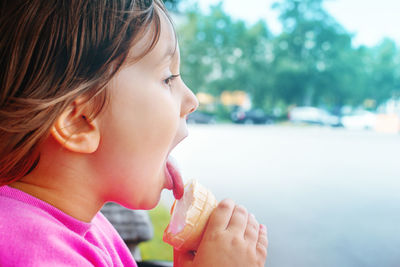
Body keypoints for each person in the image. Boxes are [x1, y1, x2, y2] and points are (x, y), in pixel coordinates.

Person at [0, 0, 268, 266]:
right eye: (168, 78)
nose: (192, 100)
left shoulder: (84, 225)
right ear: (80, 122)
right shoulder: (32, 254)